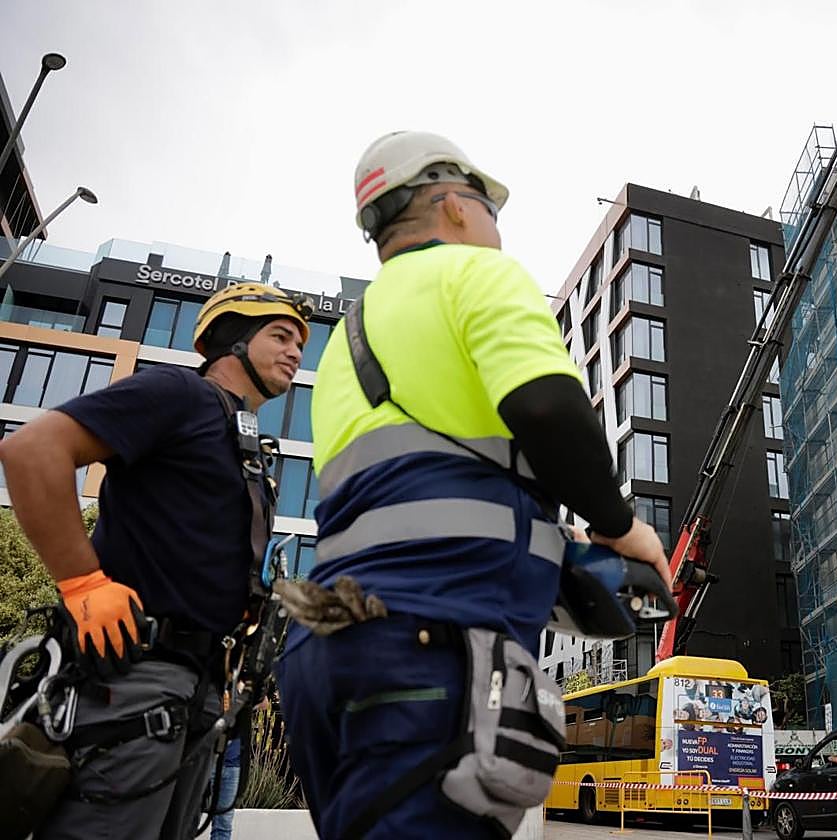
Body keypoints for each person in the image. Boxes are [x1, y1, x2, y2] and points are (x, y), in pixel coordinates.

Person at [274, 130, 671, 839]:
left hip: (324, 657)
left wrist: (559, 544)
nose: (495, 226)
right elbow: (548, 405)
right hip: (427, 649)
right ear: (453, 205)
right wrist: (620, 525)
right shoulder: (477, 275)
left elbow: (419, 494)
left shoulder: (346, 343)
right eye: (490, 208)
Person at [0, 282, 311, 840]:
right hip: (134, 676)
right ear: (231, 341)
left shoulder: (244, 445)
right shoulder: (177, 393)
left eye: (300, 344)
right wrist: (84, 584)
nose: (295, 352)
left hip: (195, 693)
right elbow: (33, 450)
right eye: (281, 336)